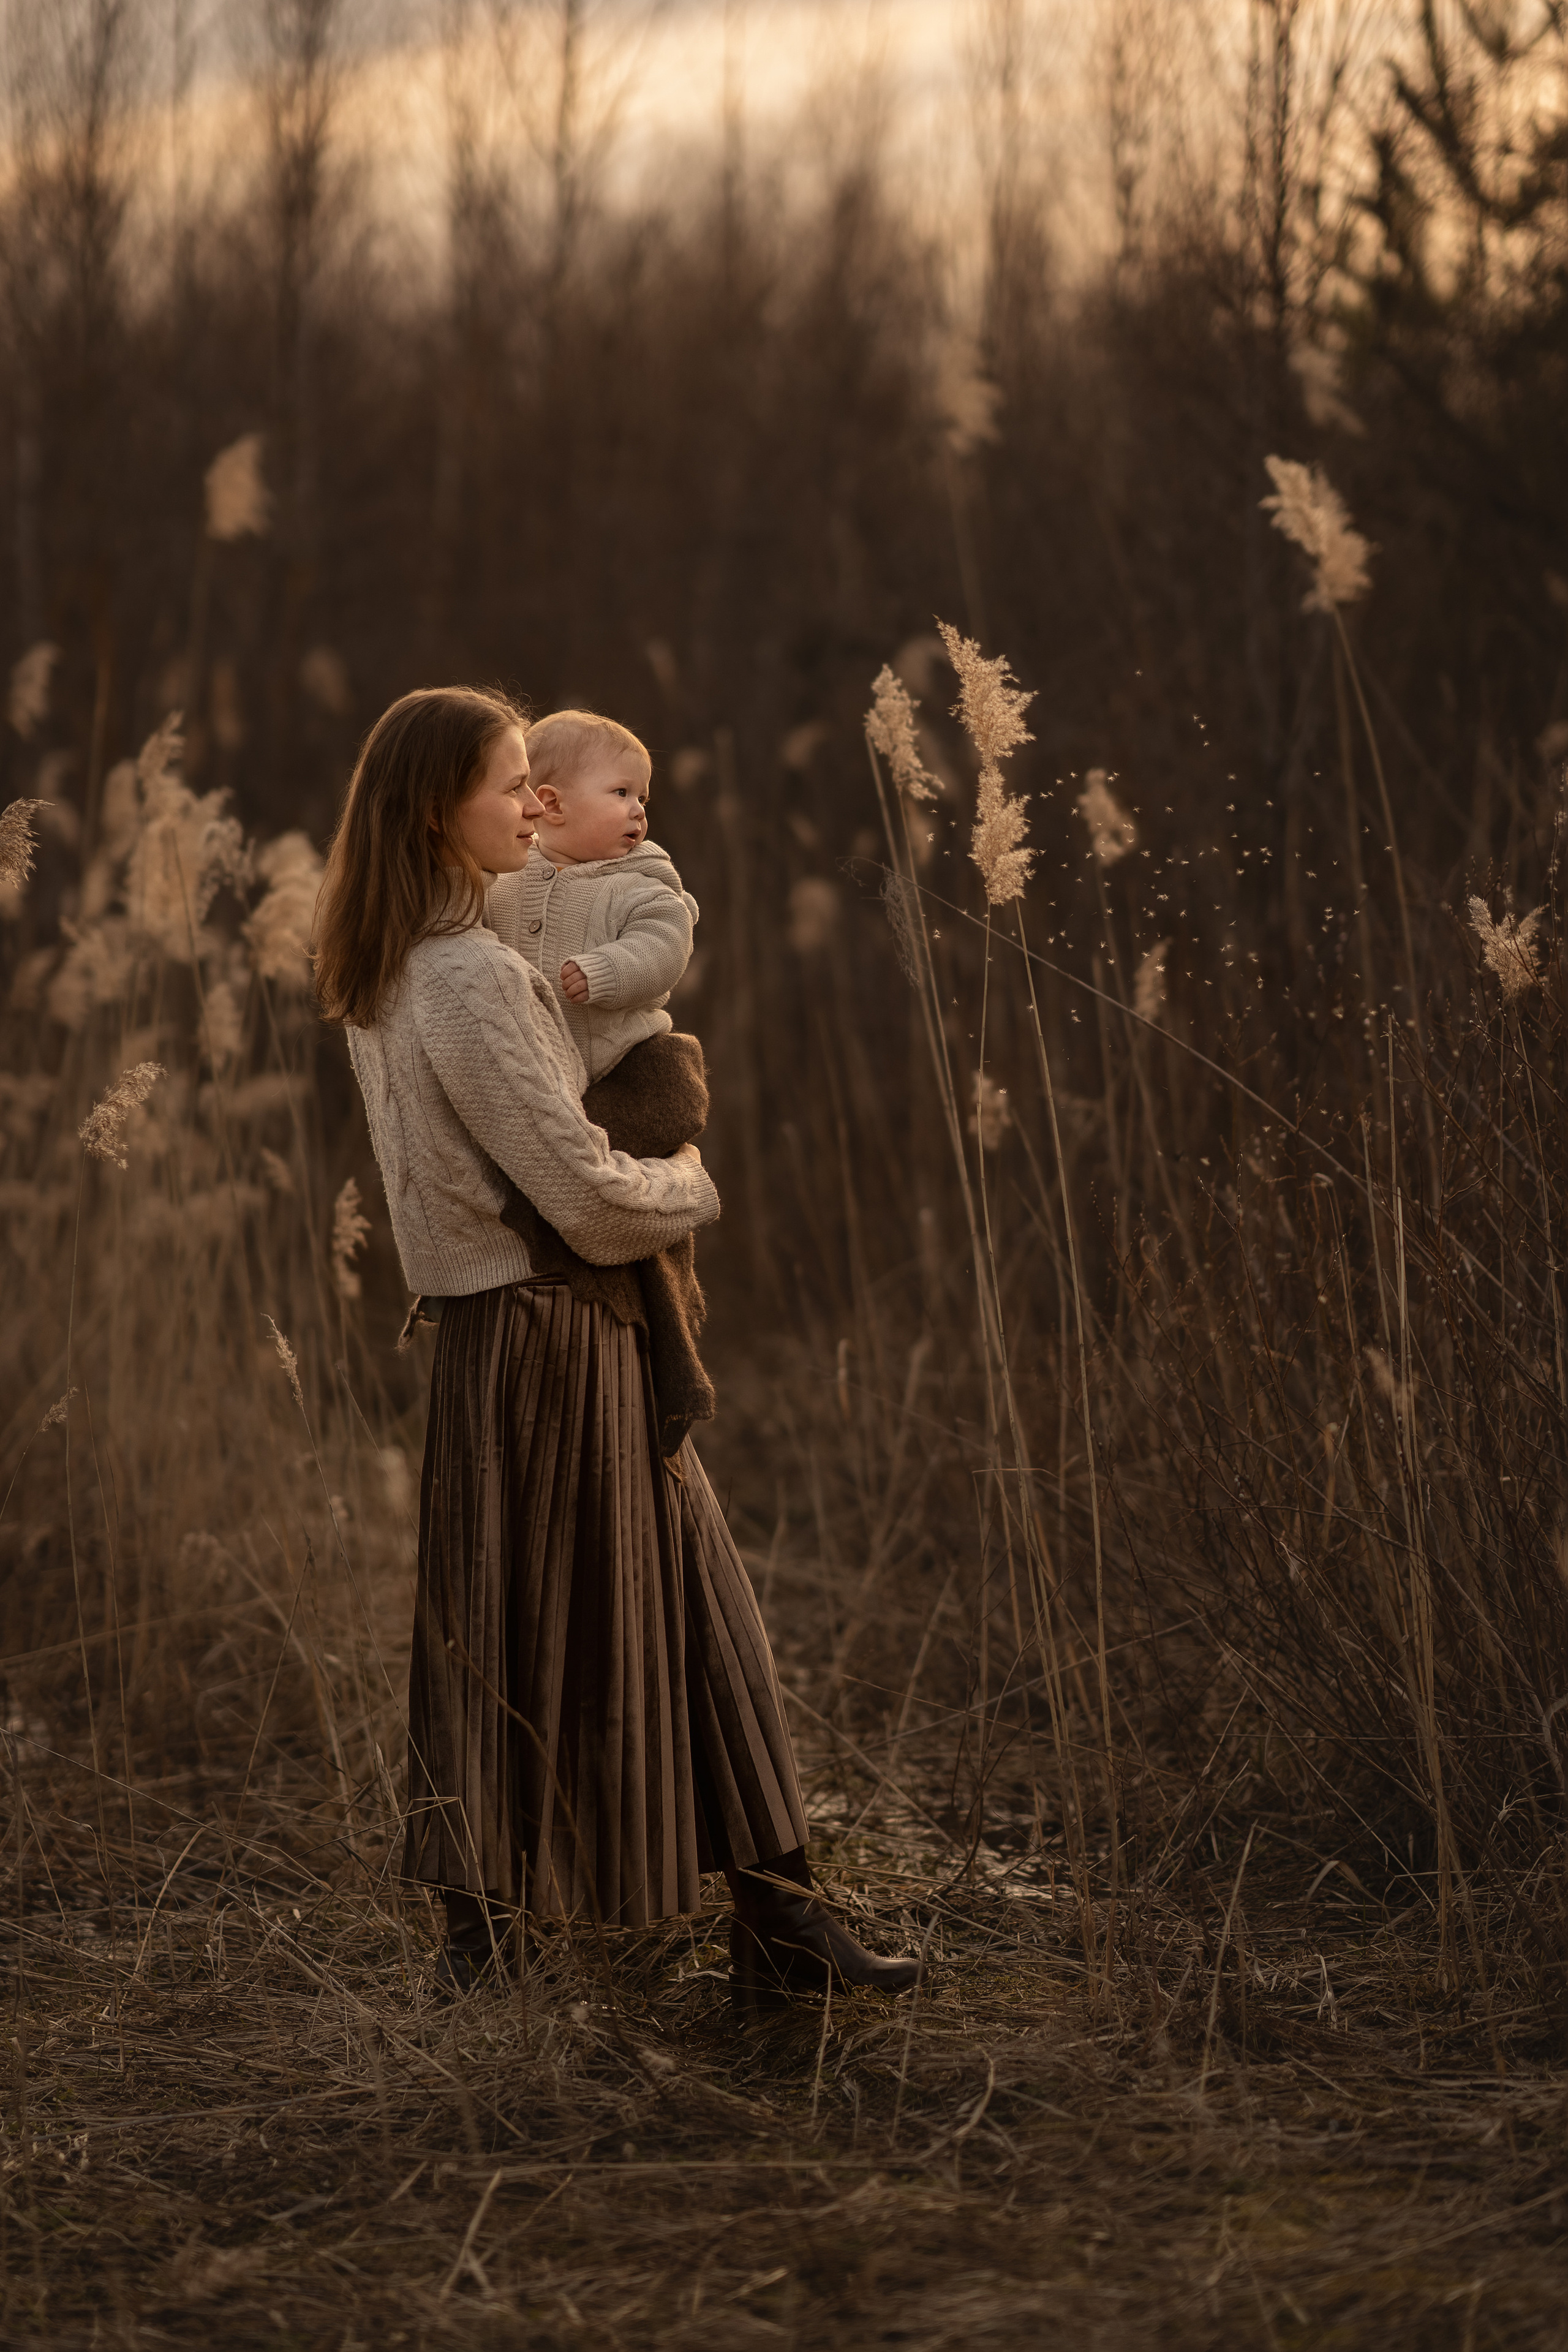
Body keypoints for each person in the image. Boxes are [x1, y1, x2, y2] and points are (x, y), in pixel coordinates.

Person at [314, 685, 918, 2003]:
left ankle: (768, 1920)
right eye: (508, 785)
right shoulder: (471, 976)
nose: (532, 809)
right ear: (439, 808)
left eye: (537, 785)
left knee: (643, 1604)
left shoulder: (393, 964)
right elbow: (586, 1198)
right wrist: (690, 1184)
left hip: (513, 1335)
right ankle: (496, 1948)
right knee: (536, 1626)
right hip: (551, 1332)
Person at [487, 709, 715, 1458]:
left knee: (635, 1208)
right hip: (551, 1080)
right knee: (561, 1197)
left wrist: (609, 971)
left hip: (626, 1069)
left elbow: (664, 943)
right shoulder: (506, 881)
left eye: (643, 797)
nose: (639, 810)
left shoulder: (642, 879)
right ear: (551, 804)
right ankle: (589, 1286)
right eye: (621, 793)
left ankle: (677, 1357)